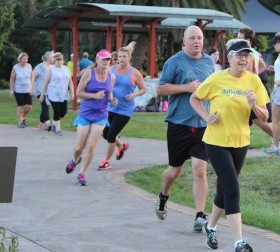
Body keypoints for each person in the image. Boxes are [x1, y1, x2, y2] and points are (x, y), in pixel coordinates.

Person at [190, 38, 269, 251]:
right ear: (230, 57)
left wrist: (254, 105)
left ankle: (211, 226)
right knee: (232, 188)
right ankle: (238, 242)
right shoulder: (217, 79)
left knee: (223, 189)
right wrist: (206, 116)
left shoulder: (254, 81)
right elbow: (194, 98)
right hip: (216, 142)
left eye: (247, 55)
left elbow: (264, 115)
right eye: (240, 55)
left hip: (241, 142)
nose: (244, 59)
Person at [155, 25, 214, 232]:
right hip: (178, 124)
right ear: (184, 41)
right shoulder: (174, 62)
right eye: (192, 38)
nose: (197, 41)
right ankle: (163, 196)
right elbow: (160, 88)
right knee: (174, 171)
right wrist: (186, 88)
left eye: (199, 38)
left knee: (200, 168)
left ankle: (199, 215)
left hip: (202, 125)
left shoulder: (209, 62)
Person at [65, 49, 115, 186]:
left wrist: (112, 100)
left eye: (108, 59)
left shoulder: (111, 77)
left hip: (101, 115)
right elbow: (78, 92)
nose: (106, 62)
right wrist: (94, 95)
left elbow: (109, 93)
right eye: (103, 59)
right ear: (97, 60)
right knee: (79, 148)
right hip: (86, 113)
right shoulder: (88, 73)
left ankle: (82, 173)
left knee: (91, 146)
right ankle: (75, 160)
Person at [237, 27, 280, 151]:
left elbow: (245, 71)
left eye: (239, 38)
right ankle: (244, 143)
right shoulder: (255, 52)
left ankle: (279, 138)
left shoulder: (247, 54)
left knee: (256, 118)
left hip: (249, 89)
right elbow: (263, 67)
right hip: (254, 87)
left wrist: (251, 78)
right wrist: (256, 75)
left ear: (248, 39)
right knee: (250, 117)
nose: (237, 40)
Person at [98, 42, 146, 170]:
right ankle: (121, 146)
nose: (121, 59)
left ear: (129, 58)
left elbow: (143, 89)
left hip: (125, 110)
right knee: (105, 133)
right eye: (119, 57)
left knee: (111, 135)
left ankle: (106, 161)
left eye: (124, 57)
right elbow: (104, 81)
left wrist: (135, 95)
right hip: (110, 107)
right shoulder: (111, 69)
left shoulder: (134, 73)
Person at [39, 52, 74, 136]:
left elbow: (70, 82)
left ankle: (54, 122)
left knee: (63, 112)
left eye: (61, 59)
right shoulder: (51, 69)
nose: (59, 61)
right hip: (53, 93)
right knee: (57, 111)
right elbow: (45, 83)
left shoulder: (66, 69)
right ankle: (57, 129)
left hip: (63, 93)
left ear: (63, 60)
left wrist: (72, 92)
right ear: (54, 60)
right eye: (57, 59)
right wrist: (42, 95)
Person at [30, 50, 54, 131]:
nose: (54, 58)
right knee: (45, 106)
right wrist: (31, 88)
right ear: (47, 58)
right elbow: (33, 77)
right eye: (52, 57)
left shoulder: (52, 67)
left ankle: (41, 123)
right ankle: (48, 123)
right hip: (40, 91)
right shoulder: (40, 67)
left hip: (49, 91)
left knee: (46, 106)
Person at [9, 52, 33, 128]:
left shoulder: (29, 66)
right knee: (21, 106)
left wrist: (33, 87)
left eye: (26, 59)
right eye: (23, 59)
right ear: (20, 59)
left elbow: (32, 77)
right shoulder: (15, 68)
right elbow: (12, 80)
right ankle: (20, 122)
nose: (25, 61)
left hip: (28, 90)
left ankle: (23, 118)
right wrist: (11, 91)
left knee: (29, 106)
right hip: (18, 90)